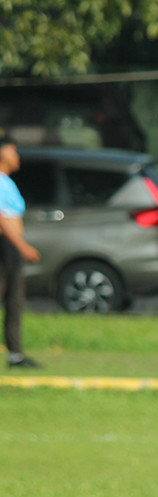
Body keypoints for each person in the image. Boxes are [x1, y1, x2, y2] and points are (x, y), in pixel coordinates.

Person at [0, 136, 41, 368]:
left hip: (11, 249)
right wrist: (22, 246)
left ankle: (15, 354)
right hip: (5, 247)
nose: (17, 157)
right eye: (13, 151)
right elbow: (2, 218)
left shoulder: (7, 182)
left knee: (15, 301)